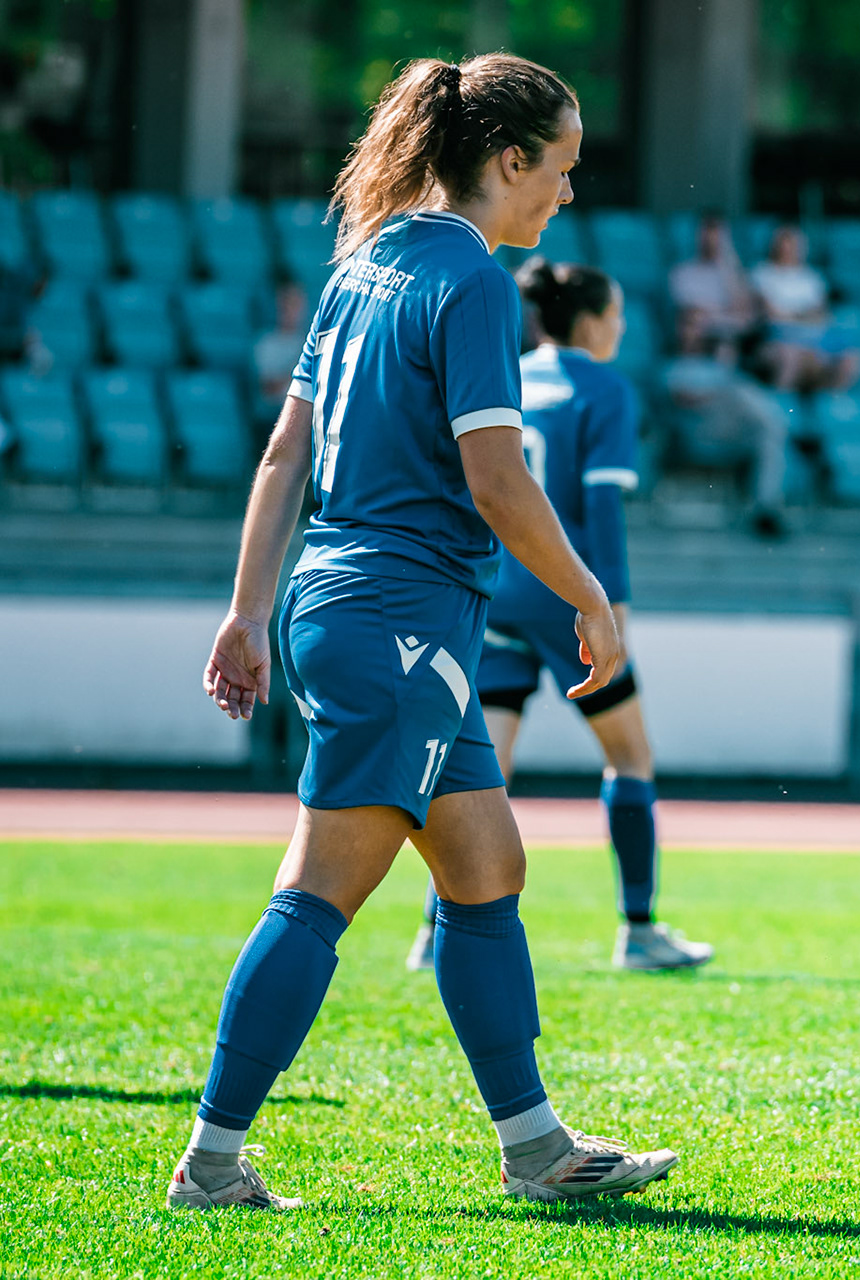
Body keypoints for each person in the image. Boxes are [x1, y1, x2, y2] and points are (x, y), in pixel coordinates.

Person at [176, 53, 678, 1211]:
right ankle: (211, 1159)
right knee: (319, 890)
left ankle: (536, 1146)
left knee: (487, 864)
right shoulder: (472, 280)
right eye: (562, 167)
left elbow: (285, 453)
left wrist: (249, 610)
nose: (567, 191)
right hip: (400, 617)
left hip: (356, 606)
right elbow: (495, 478)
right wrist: (590, 595)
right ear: (508, 157)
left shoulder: (365, 263)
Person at [407, 257, 713, 973]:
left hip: (494, 591)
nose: (622, 328)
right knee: (630, 757)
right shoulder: (603, 388)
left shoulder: (508, 376)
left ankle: (432, 931)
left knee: (482, 771)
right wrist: (612, 607)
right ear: (591, 322)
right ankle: (639, 931)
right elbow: (602, 509)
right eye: (617, 316)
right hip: (564, 597)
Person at [661, 308, 791, 539]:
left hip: (728, 433)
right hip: (692, 436)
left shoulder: (723, 366)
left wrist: (725, 369)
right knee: (744, 395)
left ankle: (765, 509)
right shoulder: (672, 366)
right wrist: (721, 385)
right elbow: (681, 399)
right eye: (690, 326)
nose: (696, 332)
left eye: (701, 327)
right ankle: (789, 430)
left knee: (768, 437)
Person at [750, 224, 860, 392]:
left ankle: (830, 403)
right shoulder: (762, 273)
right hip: (778, 339)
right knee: (791, 356)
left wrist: (792, 314)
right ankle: (782, 403)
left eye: (793, 244)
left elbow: (822, 314)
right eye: (784, 243)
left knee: (852, 357)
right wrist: (803, 315)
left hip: (814, 339)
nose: (788, 249)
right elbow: (772, 314)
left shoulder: (813, 278)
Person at [667, 211, 756, 352]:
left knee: (727, 344)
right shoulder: (682, 272)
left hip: (726, 333)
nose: (711, 238)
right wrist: (723, 312)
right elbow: (690, 311)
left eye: (717, 232)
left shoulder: (733, 272)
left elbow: (743, 312)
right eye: (706, 231)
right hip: (697, 332)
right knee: (691, 326)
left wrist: (728, 259)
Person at [251, 282, 310, 424]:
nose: (291, 310)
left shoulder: (310, 342)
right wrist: (303, 366)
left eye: (296, 304)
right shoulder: (265, 343)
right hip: (271, 418)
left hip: (304, 416)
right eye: (286, 304)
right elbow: (269, 389)